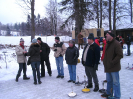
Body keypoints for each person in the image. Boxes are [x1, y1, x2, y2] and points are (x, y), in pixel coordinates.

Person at [101, 31, 123, 99]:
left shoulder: (116, 44)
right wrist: (105, 61)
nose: (106, 36)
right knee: (109, 81)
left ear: (111, 36)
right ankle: (109, 93)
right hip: (108, 66)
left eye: (107, 34)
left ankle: (117, 96)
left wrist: (112, 62)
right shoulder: (107, 43)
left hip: (114, 67)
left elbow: (120, 55)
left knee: (116, 83)